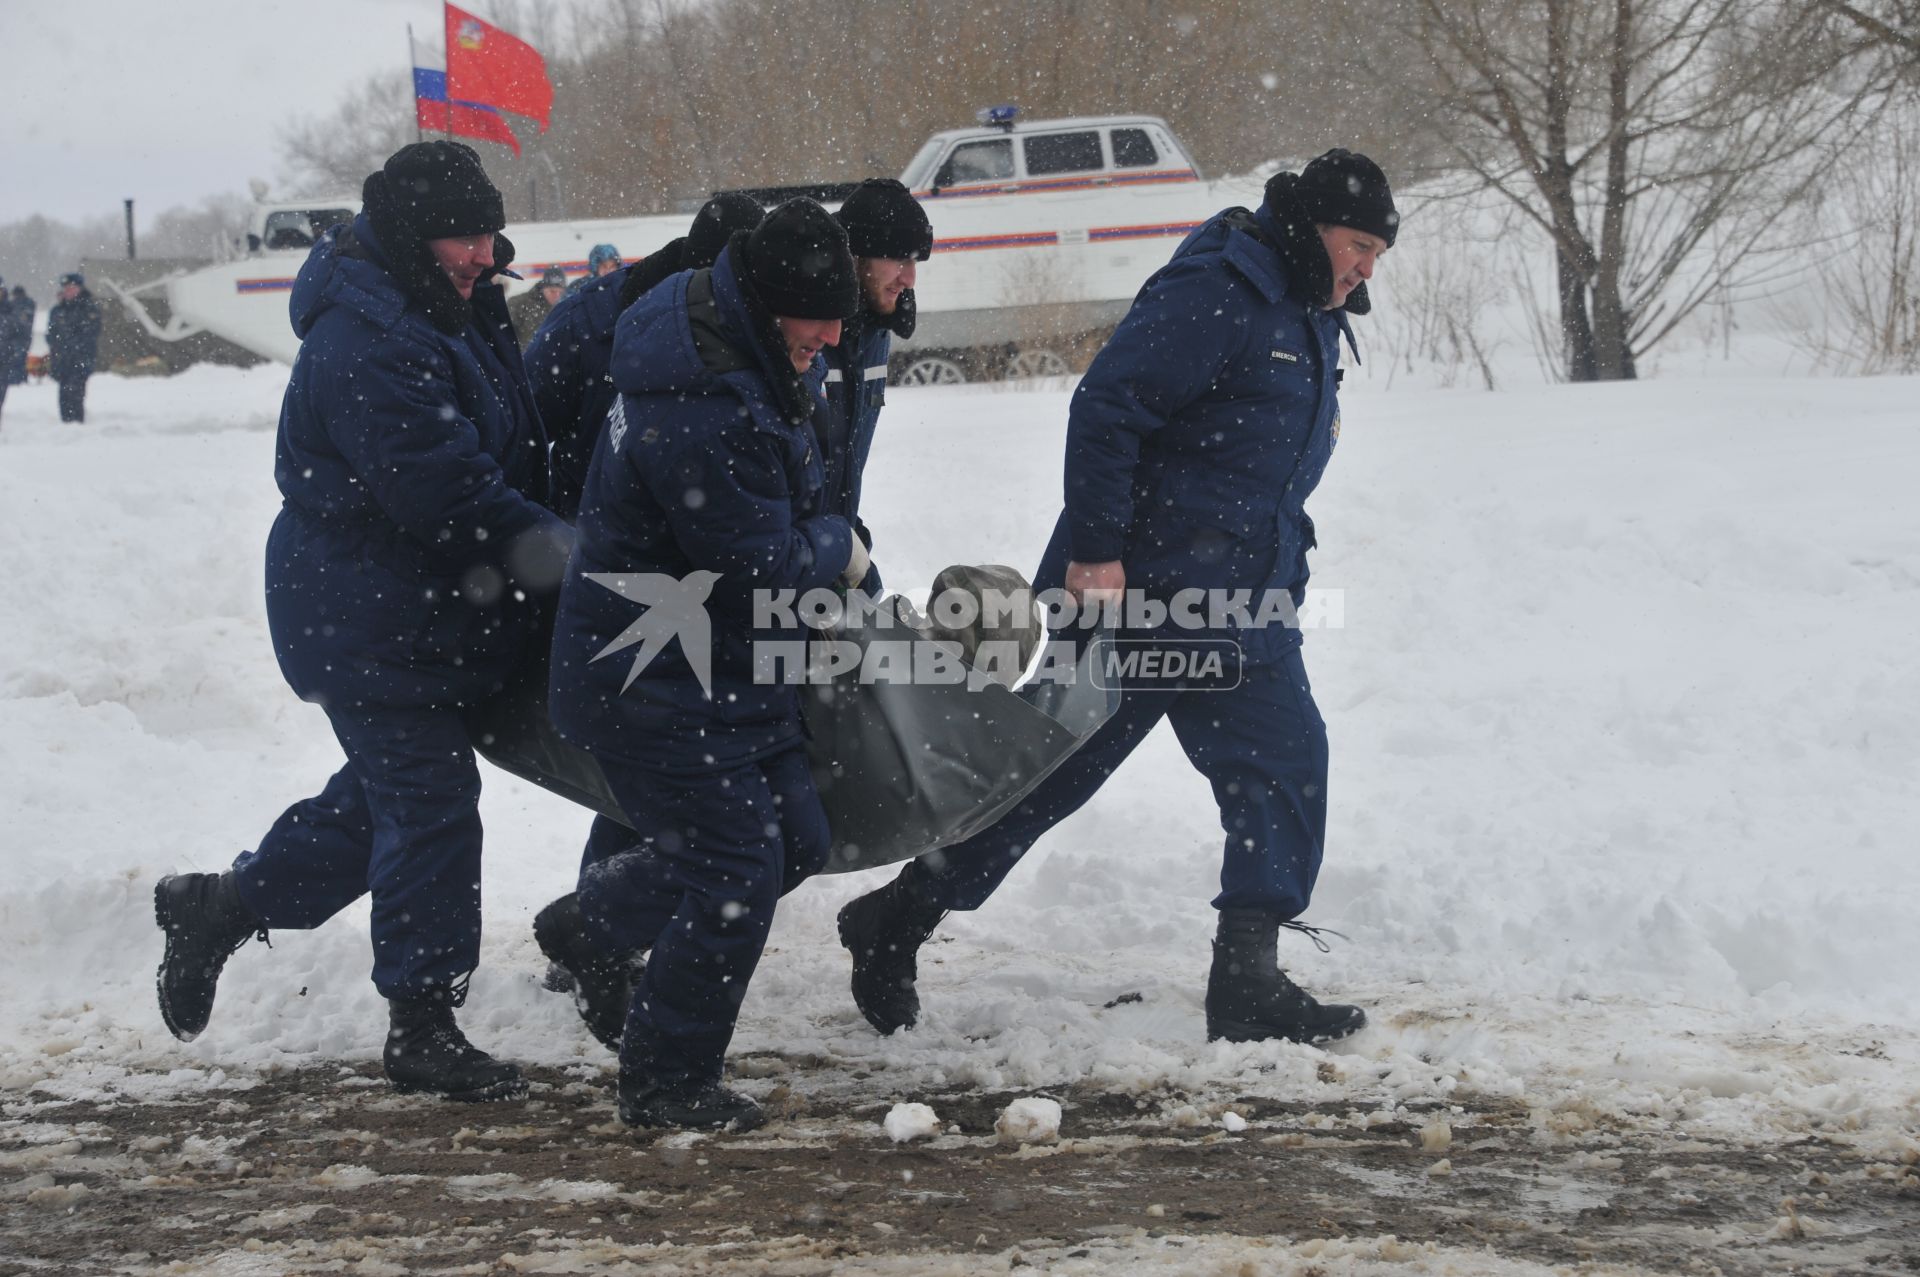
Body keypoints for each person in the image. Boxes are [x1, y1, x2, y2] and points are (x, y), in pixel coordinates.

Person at [836, 149, 1399, 1048]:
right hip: (1136, 595)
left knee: (1286, 764)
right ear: (1314, 227)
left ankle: (1247, 974)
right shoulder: (1221, 288)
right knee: (1042, 778)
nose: (1367, 267)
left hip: (1244, 603)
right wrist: (1097, 553)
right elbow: (1107, 408)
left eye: (1378, 251)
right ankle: (896, 918)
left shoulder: (1311, 305)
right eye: (1358, 244)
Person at [151, 141, 572, 1103]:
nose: (482, 252)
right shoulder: (366, 337)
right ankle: (421, 1023)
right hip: (363, 614)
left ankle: (217, 906)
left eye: (487, 232)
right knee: (427, 801)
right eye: (463, 235)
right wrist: (568, 553)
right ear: (413, 237)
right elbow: (448, 491)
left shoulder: (447, 301)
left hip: (431, 610)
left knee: (379, 806)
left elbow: (509, 441)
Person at [533, 199, 867, 1131]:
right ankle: (666, 1080)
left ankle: (587, 926)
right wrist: (838, 545)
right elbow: (754, 567)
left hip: (725, 670)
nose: (834, 337)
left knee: (794, 839)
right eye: (817, 318)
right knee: (734, 868)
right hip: (653, 677)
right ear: (763, 305)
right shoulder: (703, 405)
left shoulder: (742, 355)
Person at [528, 192, 765, 521]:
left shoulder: (766, 328)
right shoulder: (586, 322)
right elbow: (520, 440)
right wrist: (545, 541)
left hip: (719, 550)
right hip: (589, 543)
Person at [823, 178, 933, 594]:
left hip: (836, 543)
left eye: (916, 261)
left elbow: (844, 464)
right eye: (899, 259)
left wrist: (851, 535)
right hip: (796, 553)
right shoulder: (811, 331)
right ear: (856, 255)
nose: (910, 278)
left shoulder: (875, 331)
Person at [45, 272, 101, 423]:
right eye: (66, 288)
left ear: (79, 288)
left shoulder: (89, 309)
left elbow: (91, 334)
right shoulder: (58, 311)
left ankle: (77, 424)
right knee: (63, 395)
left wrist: (72, 346)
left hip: (80, 359)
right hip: (62, 361)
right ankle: (66, 424)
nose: (68, 291)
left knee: (76, 394)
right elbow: (51, 335)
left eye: (72, 287)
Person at [509, 266, 569, 346]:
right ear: (543, 288)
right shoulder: (519, 303)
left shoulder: (566, 307)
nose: (557, 296)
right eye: (552, 291)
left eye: (560, 292)